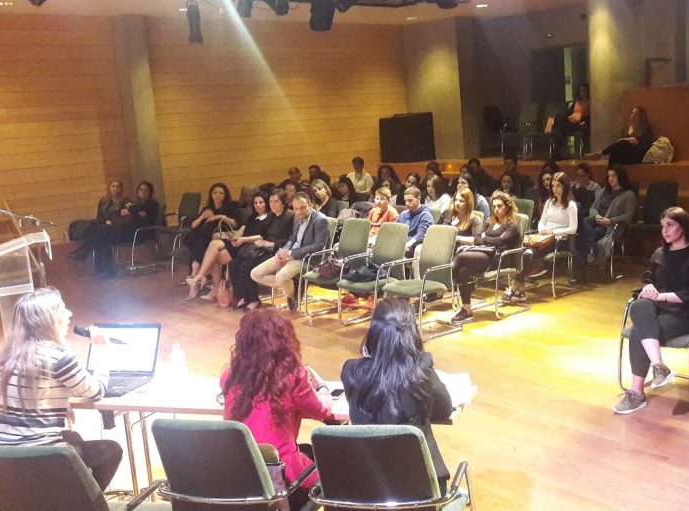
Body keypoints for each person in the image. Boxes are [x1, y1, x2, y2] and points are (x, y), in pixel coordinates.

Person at [0, 288, 123, 491]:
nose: (69, 314)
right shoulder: (58, 357)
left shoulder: (6, 355)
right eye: (63, 309)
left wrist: (59, 399)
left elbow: (32, 390)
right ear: (48, 320)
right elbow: (96, 391)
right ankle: (85, 504)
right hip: (39, 454)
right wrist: (101, 348)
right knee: (111, 450)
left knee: (72, 437)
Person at [220, 309, 333, 508]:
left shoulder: (229, 377)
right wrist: (322, 387)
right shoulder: (292, 378)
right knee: (331, 466)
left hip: (242, 474)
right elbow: (322, 410)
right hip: (283, 477)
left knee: (307, 450)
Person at [341, 298, 454, 492]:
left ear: (373, 333)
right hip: (424, 493)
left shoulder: (351, 372)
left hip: (369, 491)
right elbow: (444, 410)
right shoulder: (421, 371)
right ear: (413, 335)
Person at [614, 208, 689, 414]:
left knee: (638, 332)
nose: (665, 230)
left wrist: (660, 296)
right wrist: (647, 287)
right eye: (662, 226)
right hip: (659, 310)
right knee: (639, 305)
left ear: (683, 226)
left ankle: (637, 392)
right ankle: (659, 366)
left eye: (670, 225)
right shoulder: (659, 254)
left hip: (687, 313)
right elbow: (647, 279)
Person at [450, 191, 522, 325]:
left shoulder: (512, 224)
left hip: (500, 259)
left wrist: (485, 238)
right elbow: (477, 238)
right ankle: (467, 310)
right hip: (485, 254)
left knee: (460, 257)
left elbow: (501, 242)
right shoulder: (490, 222)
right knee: (463, 270)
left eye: (499, 206)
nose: (496, 209)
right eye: (494, 206)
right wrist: (487, 239)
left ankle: (446, 282)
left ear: (507, 206)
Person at [186, 191, 272, 302]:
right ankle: (213, 286)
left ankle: (199, 276)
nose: (258, 205)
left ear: (266, 203)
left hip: (250, 246)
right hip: (240, 242)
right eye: (256, 203)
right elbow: (241, 231)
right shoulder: (251, 218)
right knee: (212, 254)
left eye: (261, 202)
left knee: (213, 248)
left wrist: (242, 239)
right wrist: (234, 237)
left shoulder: (269, 218)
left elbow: (262, 236)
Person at [505, 172, 578, 302]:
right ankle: (520, 291)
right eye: (553, 186)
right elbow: (542, 221)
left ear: (565, 186)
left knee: (527, 254)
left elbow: (573, 228)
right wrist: (542, 229)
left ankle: (513, 287)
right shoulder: (549, 202)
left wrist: (553, 232)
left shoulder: (571, 205)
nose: (555, 189)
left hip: (559, 240)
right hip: (543, 237)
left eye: (558, 186)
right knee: (521, 251)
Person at [250, 192, 330, 313]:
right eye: (296, 208)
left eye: (303, 208)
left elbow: (318, 246)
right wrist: (282, 251)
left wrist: (292, 253)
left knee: (281, 277)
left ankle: (290, 296)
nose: (299, 212)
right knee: (255, 274)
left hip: (307, 258)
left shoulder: (320, 220)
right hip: (290, 254)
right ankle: (293, 287)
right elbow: (292, 238)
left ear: (310, 204)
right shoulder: (296, 217)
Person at [232, 190, 294, 311]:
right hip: (264, 248)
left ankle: (253, 299)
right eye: (271, 201)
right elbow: (263, 234)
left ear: (283, 203)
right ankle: (243, 296)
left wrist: (269, 243)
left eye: (276, 201)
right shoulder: (270, 215)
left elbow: (290, 240)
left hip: (277, 251)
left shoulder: (290, 216)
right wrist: (258, 241)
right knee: (235, 264)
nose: (273, 204)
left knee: (245, 266)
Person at [574, 166, 637, 282]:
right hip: (596, 219)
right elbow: (593, 208)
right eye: (609, 176)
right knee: (582, 223)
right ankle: (591, 250)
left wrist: (610, 220)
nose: (610, 179)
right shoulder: (604, 191)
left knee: (586, 235)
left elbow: (628, 216)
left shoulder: (629, 194)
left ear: (620, 177)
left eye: (613, 176)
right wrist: (596, 216)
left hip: (609, 225)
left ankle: (581, 273)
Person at [89, 180, 160, 278]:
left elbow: (135, 212)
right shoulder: (136, 203)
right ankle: (106, 269)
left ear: (150, 192)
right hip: (128, 230)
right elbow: (124, 212)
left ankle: (98, 265)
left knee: (103, 231)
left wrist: (132, 209)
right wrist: (134, 209)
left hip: (141, 233)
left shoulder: (152, 203)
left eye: (145, 190)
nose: (142, 192)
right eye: (140, 190)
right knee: (104, 235)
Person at [185, 183, 240, 280]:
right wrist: (202, 216)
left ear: (225, 195)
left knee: (197, 239)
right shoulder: (207, 208)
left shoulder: (231, 207)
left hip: (219, 235)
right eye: (215, 192)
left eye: (221, 193)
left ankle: (196, 269)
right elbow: (193, 225)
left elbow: (236, 224)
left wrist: (220, 217)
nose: (217, 195)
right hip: (204, 235)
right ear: (211, 194)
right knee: (196, 236)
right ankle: (198, 269)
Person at [68, 179, 129, 263]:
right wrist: (105, 222)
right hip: (104, 227)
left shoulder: (125, 201)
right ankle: (86, 255)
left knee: (96, 234)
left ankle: (82, 251)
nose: (115, 188)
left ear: (120, 189)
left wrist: (112, 221)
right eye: (113, 186)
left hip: (117, 229)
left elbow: (125, 217)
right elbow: (99, 217)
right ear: (109, 188)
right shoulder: (103, 201)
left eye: (117, 187)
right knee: (96, 230)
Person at [397, 186, 434, 255]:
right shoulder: (403, 214)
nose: (407, 203)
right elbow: (395, 231)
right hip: (400, 243)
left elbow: (421, 235)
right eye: (405, 201)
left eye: (410, 200)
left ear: (418, 199)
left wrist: (407, 245)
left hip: (414, 246)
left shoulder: (426, 215)